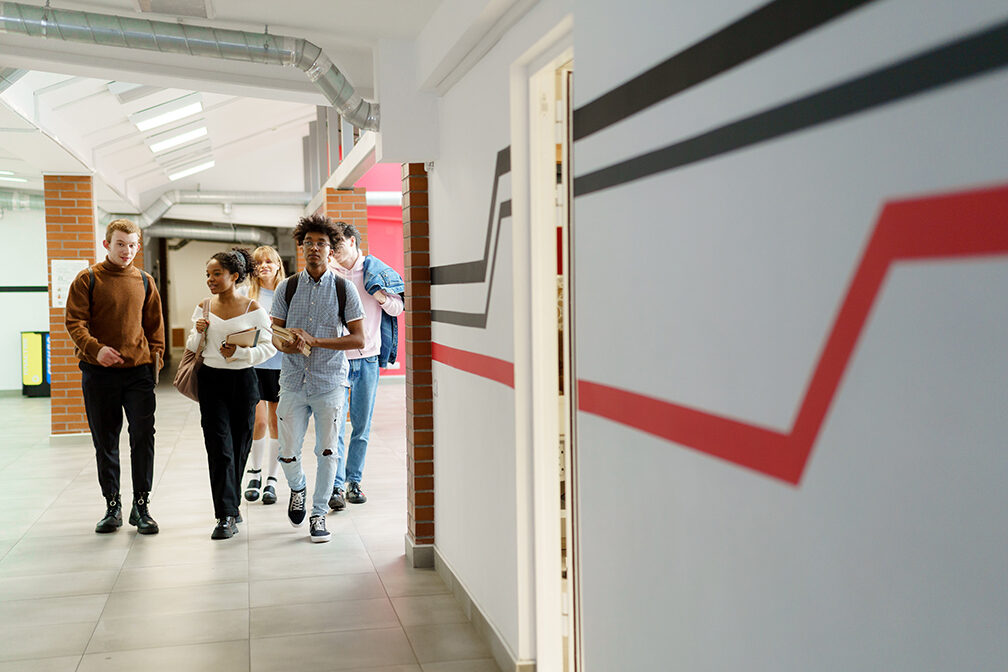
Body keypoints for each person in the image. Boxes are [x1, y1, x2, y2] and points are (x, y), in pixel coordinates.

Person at [65, 219, 165, 535]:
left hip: (138, 375)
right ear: (107, 244)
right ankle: (113, 506)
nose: (127, 251)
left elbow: (155, 330)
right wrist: (97, 350)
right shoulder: (88, 279)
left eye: (132, 245)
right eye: (120, 244)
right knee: (106, 440)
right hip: (99, 374)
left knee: (142, 438)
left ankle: (142, 505)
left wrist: (155, 365)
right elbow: (75, 323)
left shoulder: (146, 282)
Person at [271, 214, 365, 543]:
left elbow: (358, 339)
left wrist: (315, 341)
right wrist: (290, 343)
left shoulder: (344, 289)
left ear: (331, 249)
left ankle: (319, 512)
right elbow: (274, 336)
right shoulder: (288, 287)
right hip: (293, 381)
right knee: (287, 452)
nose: (314, 248)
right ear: (302, 247)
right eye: (308, 243)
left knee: (327, 452)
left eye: (321, 243)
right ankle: (297, 488)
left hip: (329, 383)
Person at [186, 248, 277, 539]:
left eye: (217, 274)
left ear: (234, 276)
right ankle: (225, 515)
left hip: (244, 383)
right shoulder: (204, 306)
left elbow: (270, 347)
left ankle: (231, 502)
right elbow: (191, 345)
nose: (211, 280)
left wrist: (240, 353)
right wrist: (199, 331)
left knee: (238, 448)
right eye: (208, 275)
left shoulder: (253, 309)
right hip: (211, 382)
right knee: (219, 449)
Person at [327, 221, 404, 510]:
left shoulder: (375, 270)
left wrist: (378, 294)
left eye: (336, 244)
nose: (332, 250)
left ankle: (353, 482)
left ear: (351, 241)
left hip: (368, 358)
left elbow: (398, 308)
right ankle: (334, 485)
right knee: (335, 426)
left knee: (361, 425)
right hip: (335, 361)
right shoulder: (328, 275)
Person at [242, 245, 286, 505]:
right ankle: (255, 472)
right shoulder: (246, 294)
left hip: (281, 367)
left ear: (278, 265)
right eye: (259, 262)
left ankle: (272, 478)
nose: (264, 266)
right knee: (257, 422)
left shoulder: (287, 293)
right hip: (255, 366)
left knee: (276, 423)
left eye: (270, 261)